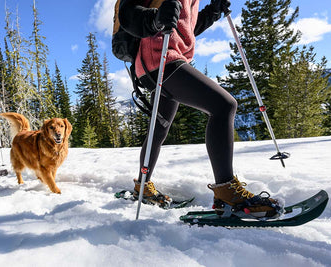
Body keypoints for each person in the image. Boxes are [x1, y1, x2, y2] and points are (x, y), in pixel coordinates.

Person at [119, 0, 282, 218]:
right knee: (224, 106)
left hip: (162, 60)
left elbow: (186, 28)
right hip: (160, 59)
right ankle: (225, 191)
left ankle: (143, 185)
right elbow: (127, 14)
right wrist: (156, 20)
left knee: (159, 129)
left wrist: (213, 11)